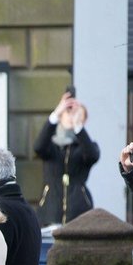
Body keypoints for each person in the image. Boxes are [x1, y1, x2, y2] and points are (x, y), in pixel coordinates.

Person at [33, 91, 100, 226]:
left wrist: (78, 127)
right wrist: (56, 114)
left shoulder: (86, 146)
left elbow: (92, 155)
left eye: (76, 113)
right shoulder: (51, 145)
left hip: (79, 211)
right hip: (49, 209)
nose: (71, 116)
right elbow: (38, 147)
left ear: (84, 120)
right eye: (68, 112)